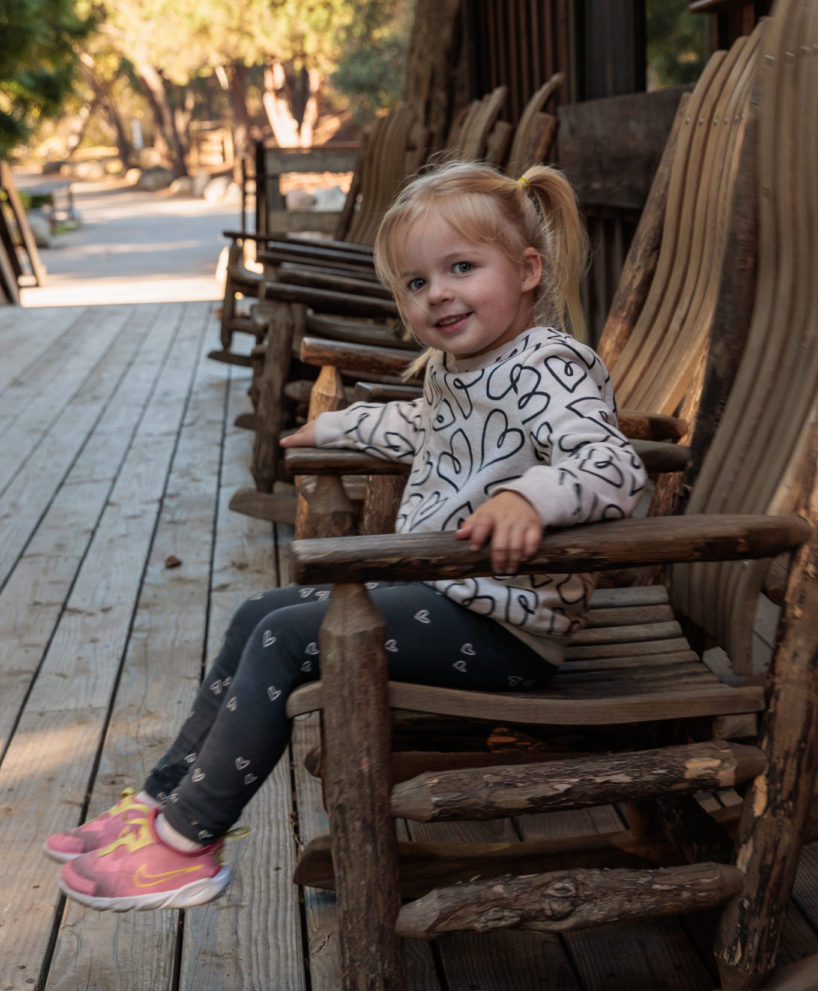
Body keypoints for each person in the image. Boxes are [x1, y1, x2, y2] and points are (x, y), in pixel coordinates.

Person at [46, 160, 648, 912]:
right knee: (255, 613)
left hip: (506, 628)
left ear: (528, 270)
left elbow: (616, 466)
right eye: (418, 282)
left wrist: (532, 494)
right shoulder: (463, 368)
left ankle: (186, 841)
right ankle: (161, 804)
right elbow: (421, 426)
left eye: (462, 267)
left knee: (287, 637)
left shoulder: (550, 364)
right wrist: (340, 423)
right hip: (446, 594)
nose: (439, 294)